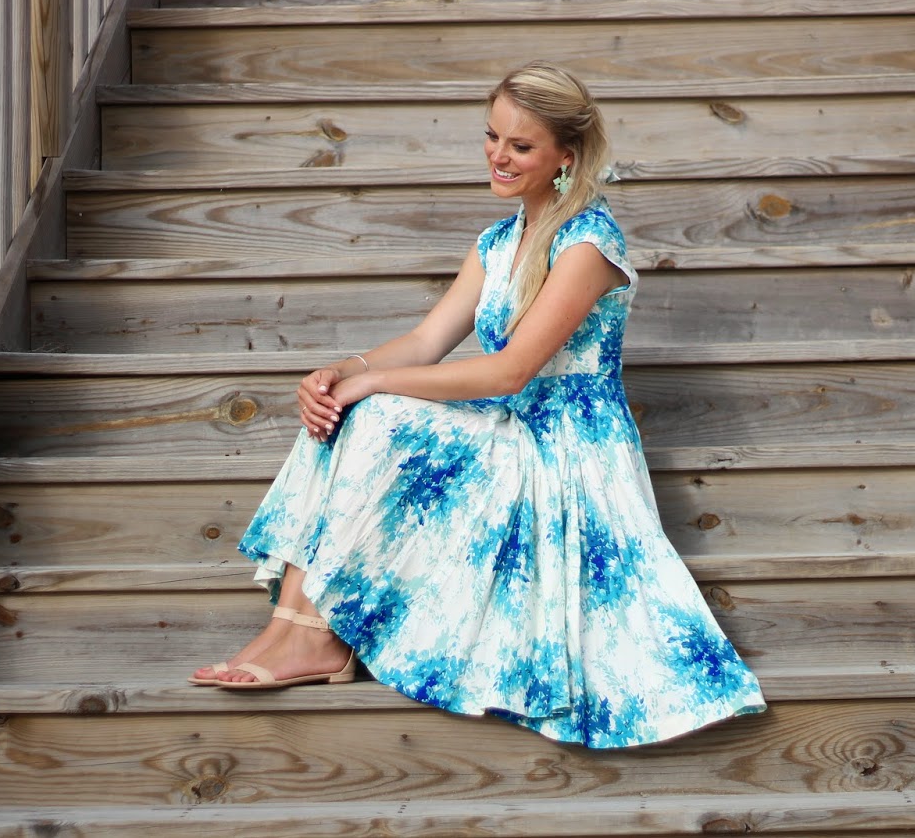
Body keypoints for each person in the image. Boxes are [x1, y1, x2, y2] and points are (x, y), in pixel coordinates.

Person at [188, 61, 765, 748]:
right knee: (348, 403)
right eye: (491, 137)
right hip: (508, 430)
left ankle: (314, 639)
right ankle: (293, 628)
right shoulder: (497, 244)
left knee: (376, 408)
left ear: (565, 158)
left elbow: (512, 371)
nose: (498, 155)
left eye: (520, 146)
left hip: (567, 449)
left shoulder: (588, 243)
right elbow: (429, 339)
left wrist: (373, 386)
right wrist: (343, 371)